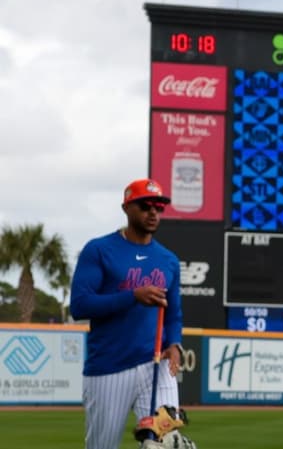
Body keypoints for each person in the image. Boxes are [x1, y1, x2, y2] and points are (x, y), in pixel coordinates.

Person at [71, 178, 184, 449]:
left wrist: (175, 342)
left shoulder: (168, 259)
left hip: (155, 363)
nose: (153, 212)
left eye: (159, 207)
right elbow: (80, 306)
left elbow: (174, 312)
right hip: (110, 367)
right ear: (126, 208)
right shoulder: (99, 250)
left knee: (166, 443)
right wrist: (132, 296)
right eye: (145, 206)